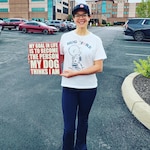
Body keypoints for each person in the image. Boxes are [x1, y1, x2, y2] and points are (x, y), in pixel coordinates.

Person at [59, 3, 107, 150]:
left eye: (84, 15)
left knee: (83, 121)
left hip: (88, 88)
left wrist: (75, 72)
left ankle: (81, 146)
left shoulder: (96, 40)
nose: (81, 18)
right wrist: (39, 61)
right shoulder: (65, 37)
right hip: (68, 88)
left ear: (89, 17)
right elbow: (59, 57)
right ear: (73, 18)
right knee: (68, 128)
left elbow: (98, 67)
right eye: (78, 15)